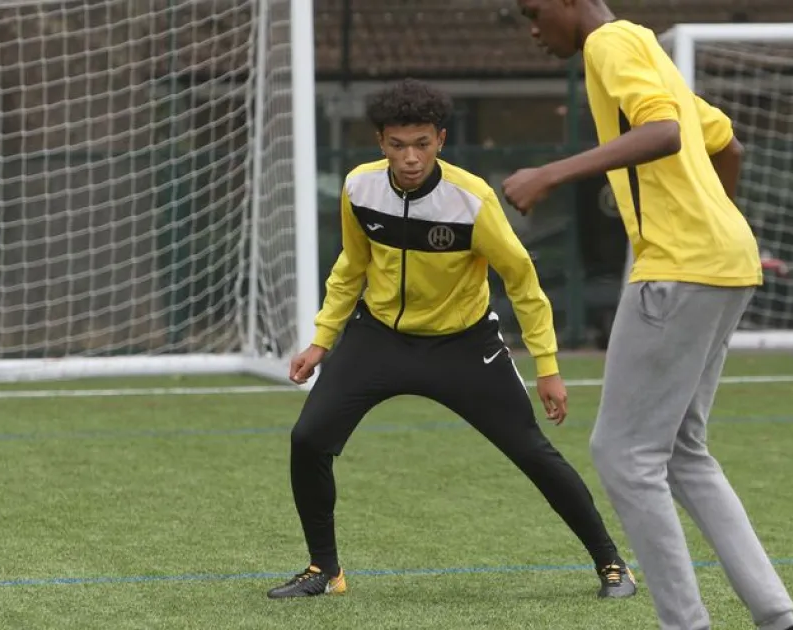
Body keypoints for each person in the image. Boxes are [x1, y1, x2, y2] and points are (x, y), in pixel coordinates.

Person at [266, 78, 636, 601]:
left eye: (422, 143)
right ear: (380, 142)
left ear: (441, 139)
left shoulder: (472, 200)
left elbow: (522, 279)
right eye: (398, 144)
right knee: (307, 439)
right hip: (378, 338)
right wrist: (321, 340)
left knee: (532, 452)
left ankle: (612, 563)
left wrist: (548, 367)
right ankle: (323, 570)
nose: (410, 157)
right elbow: (352, 266)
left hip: (463, 346)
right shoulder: (358, 188)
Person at [504, 2, 793, 630]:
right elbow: (727, 143)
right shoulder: (645, 48)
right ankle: (777, 616)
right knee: (684, 451)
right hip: (728, 261)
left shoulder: (608, 45)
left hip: (680, 268)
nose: (531, 27)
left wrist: (551, 174)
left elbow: (664, 131)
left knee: (623, 455)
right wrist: (712, 223)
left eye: (533, 10)